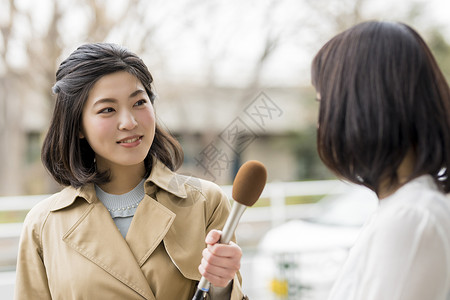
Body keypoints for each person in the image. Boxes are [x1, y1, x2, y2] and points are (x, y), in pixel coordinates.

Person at [15, 43, 247, 300]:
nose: (130, 122)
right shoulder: (43, 224)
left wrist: (222, 285)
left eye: (139, 102)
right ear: (78, 125)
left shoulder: (205, 203)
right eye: (107, 110)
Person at [311, 21, 450, 299]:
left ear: (362, 106)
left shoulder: (411, 218)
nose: (320, 121)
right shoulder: (405, 208)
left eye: (323, 102)